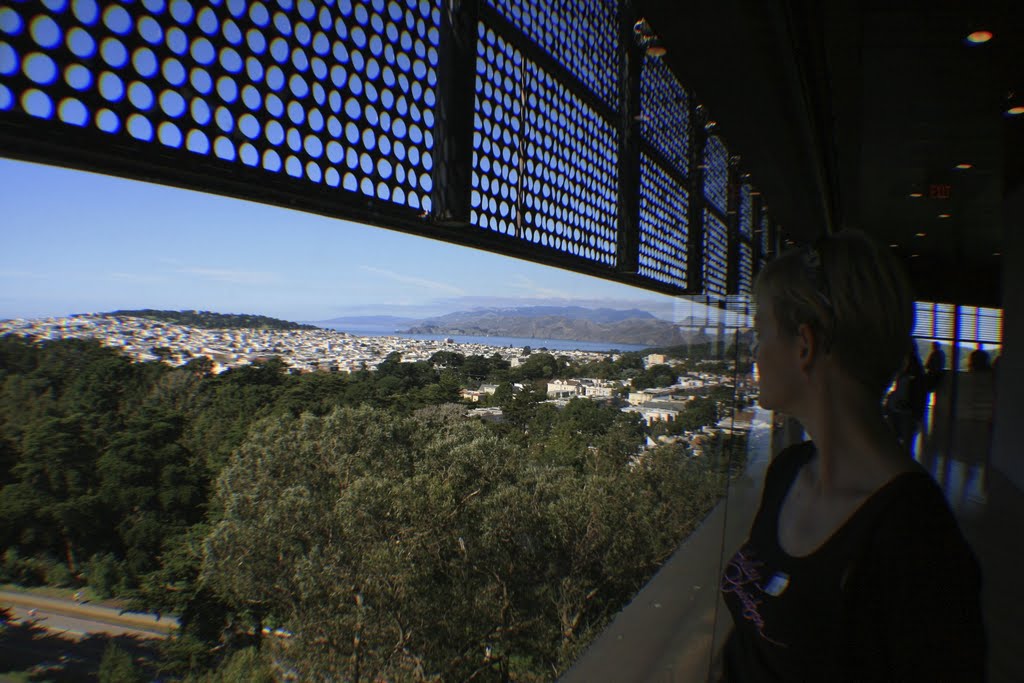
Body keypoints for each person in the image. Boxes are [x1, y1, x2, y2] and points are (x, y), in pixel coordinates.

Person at [720, 230, 984, 681]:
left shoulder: (916, 542)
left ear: (804, 346)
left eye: (761, 333)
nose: (753, 353)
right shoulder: (788, 472)